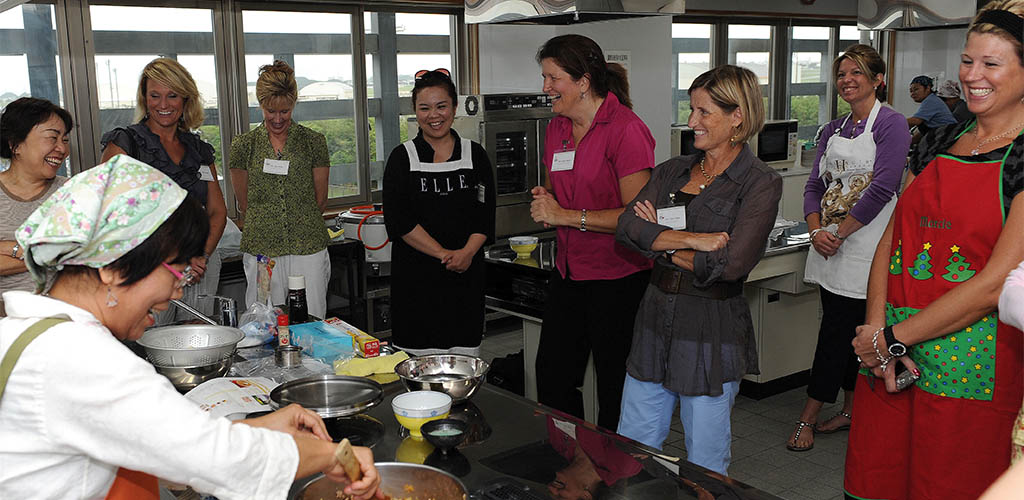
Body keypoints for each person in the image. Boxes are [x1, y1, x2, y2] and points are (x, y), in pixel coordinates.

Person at [0, 155, 382, 500]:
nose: (177, 290)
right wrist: (333, 454)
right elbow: (217, 460)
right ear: (112, 267)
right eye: (177, 270)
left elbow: (174, 444)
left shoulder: (29, 333)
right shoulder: (80, 359)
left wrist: (263, 427)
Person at [846, 3, 1024, 498]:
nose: (973, 76)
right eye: (968, 61)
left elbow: (995, 283)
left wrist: (893, 338)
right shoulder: (936, 140)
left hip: (973, 366)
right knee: (879, 479)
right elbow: (893, 239)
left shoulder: (1023, 157)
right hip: (892, 362)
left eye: (992, 64)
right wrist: (876, 332)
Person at [615, 65, 781, 476]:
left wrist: (659, 247)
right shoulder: (672, 170)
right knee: (632, 448)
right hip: (654, 320)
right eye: (692, 110)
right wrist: (693, 241)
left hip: (710, 327)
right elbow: (627, 228)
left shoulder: (759, 182)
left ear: (737, 116)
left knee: (705, 461)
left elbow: (732, 264)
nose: (692, 122)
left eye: (704, 112)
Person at [786, 45, 912, 452]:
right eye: (841, 74)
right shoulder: (831, 130)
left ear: (878, 79)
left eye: (857, 72)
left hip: (868, 248)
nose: (847, 80)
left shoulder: (891, 125)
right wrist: (816, 229)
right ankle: (849, 409)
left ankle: (809, 416)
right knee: (843, 331)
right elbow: (814, 186)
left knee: (845, 333)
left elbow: (883, 187)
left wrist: (840, 233)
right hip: (829, 246)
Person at [529, 34, 655, 431]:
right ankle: (571, 458)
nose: (546, 87)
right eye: (544, 77)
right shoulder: (557, 129)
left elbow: (637, 219)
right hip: (569, 272)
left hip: (617, 278)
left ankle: (617, 473)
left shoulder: (626, 130)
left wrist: (565, 215)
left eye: (553, 78)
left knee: (616, 383)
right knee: (553, 376)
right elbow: (562, 187)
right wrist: (546, 200)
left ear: (583, 81)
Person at [100, 57, 227, 320]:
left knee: (197, 343)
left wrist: (201, 255)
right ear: (144, 99)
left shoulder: (199, 149)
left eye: (172, 96)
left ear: (185, 99)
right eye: (154, 95)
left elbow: (217, 210)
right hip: (147, 269)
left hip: (198, 266)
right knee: (149, 347)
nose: (163, 105)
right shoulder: (125, 143)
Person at [381, 69, 496, 356]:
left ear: (454, 108)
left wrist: (466, 253)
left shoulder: (475, 154)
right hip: (416, 284)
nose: (434, 115)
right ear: (415, 112)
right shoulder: (402, 157)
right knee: (419, 370)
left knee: (464, 364)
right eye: (425, 108)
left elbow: (485, 214)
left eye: (441, 106)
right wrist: (443, 254)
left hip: (465, 281)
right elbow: (400, 220)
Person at [230, 60, 331, 319]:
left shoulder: (313, 142)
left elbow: (320, 200)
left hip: (308, 245)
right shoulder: (244, 145)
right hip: (263, 249)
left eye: (284, 111)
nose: (277, 119)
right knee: (262, 320)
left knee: (312, 318)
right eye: (270, 111)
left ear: (294, 104)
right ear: (260, 105)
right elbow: (245, 202)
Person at [0, 98, 70, 316]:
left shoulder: (72, 191)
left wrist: (10, 247)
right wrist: (45, 251)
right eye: (52, 137)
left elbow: (77, 252)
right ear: (15, 144)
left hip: (62, 317)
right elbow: (60, 253)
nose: (62, 148)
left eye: (65, 139)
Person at [907, 74, 957, 144]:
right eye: (911, 91)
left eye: (916, 89)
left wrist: (895, 122)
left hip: (948, 139)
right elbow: (921, 132)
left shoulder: (931, 100)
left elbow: (915, 121)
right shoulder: (930, 100)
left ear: (928, 88)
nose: (912, 94)